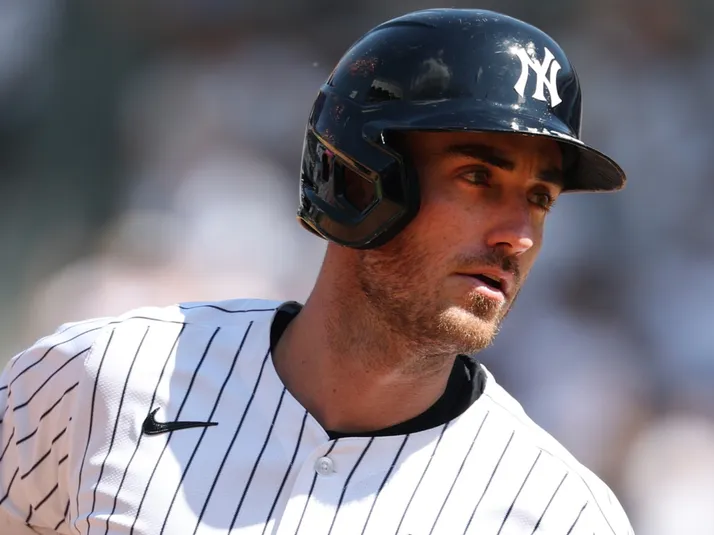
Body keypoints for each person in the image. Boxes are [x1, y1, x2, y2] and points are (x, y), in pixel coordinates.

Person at [0, 8, 635, 535]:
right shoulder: (105, 379)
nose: (518, 236)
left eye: (540, 198)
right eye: (477, 177)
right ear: (361, 177)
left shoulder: (556, 513)